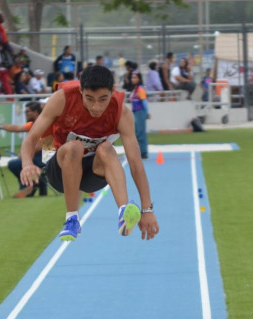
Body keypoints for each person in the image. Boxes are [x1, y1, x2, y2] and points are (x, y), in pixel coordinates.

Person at [19, 65, 160, 242]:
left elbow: (135, 163)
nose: (96, 107)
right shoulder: (62, 99)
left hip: (93, 173)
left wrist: (147, 210)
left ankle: (124, 212)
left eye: (103, 99)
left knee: (107, 149)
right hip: (60, 170)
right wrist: (27, 164)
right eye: (89, 99)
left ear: (112, 91)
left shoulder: (121, 113)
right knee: (74, 147)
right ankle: (71, 219)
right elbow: (30, 139)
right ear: (80, 91)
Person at [0, 101, 49, 198]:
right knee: (16, 164)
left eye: (27, 112)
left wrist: (25, 155)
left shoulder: (45, 124)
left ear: (36, 112)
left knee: (14, 164)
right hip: (38, 155)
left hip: (45, 156)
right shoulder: (32, 124)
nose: (25, 114)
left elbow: (42, 145)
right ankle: (31, 185)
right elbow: (17, 128)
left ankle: (29, 186)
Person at [129, 71, 149, 159]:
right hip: (135, 112)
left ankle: (143, 152)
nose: (133, 79)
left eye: (135, 77)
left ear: (139, 79)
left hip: (140, 112)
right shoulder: (135, 89)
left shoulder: (140, 89)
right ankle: (139, 151)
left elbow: (144, 101)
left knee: (141, 133)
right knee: (136, 132)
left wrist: (147, 112)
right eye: (132, 77)